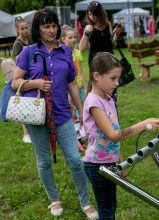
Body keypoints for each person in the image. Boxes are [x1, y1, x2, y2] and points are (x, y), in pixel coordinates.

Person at [11, 9, 98, 219]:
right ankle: (55, 199)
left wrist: (80, 108)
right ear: (37, 29)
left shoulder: (66, 52)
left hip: (62, 114)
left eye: (53, 26)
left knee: (76, 160)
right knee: (43, 161)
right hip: (37, 115)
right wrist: (35, 83)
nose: (51, 30)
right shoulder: (28, 52)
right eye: (46, 26)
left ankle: (85, 201)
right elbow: (14, 82)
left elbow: (71, 83)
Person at [83, 52, 159, 219]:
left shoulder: (107, 98)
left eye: (118, 78)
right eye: (113, 78)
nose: (117, 83)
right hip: (96, 166)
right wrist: (143, 125)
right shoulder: (94, 103)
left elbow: (110, 134)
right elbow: (114, 135)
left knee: (111, 206)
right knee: (106, 211)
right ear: (97, 76)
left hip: (108, 162)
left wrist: (118, 158)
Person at [61, 25, 88, 152]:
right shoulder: (61, 54)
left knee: (80, 110)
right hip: (68, 88)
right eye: (70, 37)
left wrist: (85, 86)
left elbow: (81, 71)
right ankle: (74, 137)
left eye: (74, 37)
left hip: (80, 87)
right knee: (72, 113)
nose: (73, 40)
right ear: (63, 39)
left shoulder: (77, 53)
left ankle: (81, 135)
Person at [12, 16, 32, 143]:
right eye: (22, 28)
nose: (25, 30)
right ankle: (26, 134)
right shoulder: (18, 44)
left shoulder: (31, 40)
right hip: (23, 77)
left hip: (33, 75)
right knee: (24, 104)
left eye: (26, 28)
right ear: (17, 30)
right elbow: (17, 62)